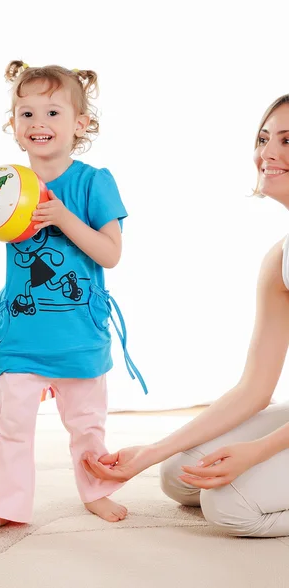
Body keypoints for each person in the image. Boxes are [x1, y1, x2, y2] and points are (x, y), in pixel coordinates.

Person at [83, 94, 289, 538]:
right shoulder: (280, 259)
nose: (267, 154)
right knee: (179, 478)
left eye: (288, 141)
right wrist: (151, 452)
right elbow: (256, 387)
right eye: (264, 138)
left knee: (229, 506)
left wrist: (258, 450)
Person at [0, 60, 146, 537]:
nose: (39, 123)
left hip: (79, 336)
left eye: (53, 112)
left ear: (80, 124)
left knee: (87, 427)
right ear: (15, 126)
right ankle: (4, 503)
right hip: (22, 334)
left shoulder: (92, 182)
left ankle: (96, 492)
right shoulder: (8, 186)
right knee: (11, 428)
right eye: (26, 114)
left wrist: (63, 217)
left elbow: (110, 254)